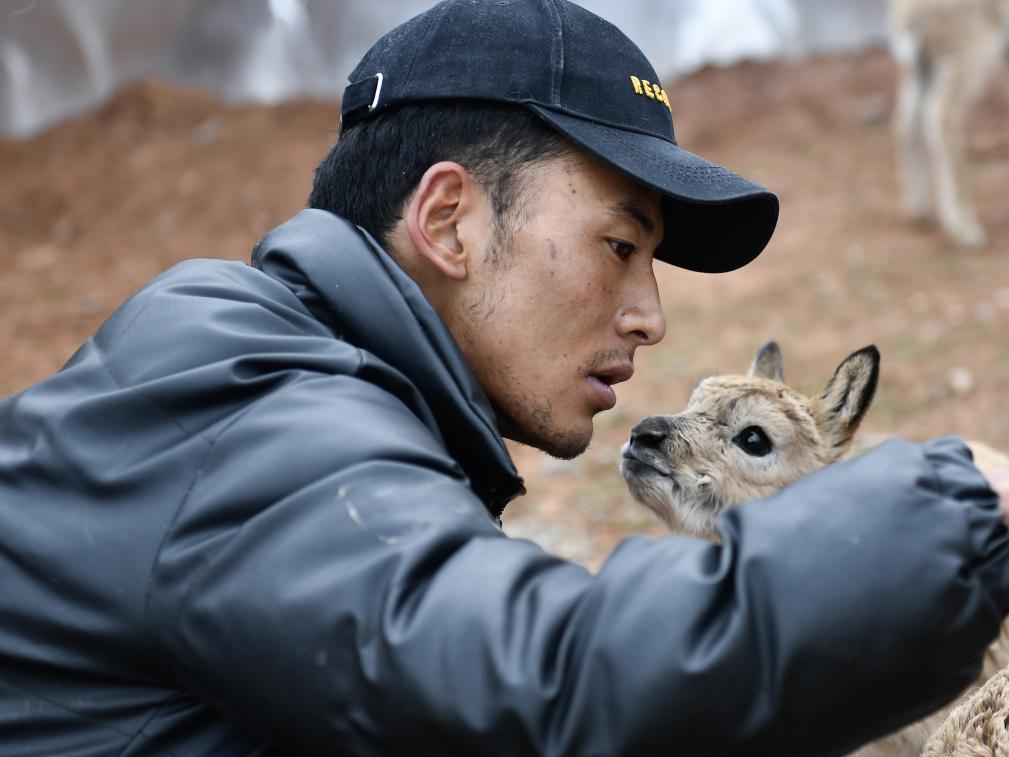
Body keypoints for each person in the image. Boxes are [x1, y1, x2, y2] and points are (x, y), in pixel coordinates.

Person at [1, 0, 1008, 754]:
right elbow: (546, 689)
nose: (650, 316)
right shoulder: (249, 411)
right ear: (448, 222)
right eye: (619, 246)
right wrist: (945, 514)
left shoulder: (297, 369)